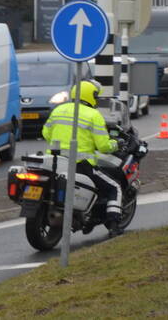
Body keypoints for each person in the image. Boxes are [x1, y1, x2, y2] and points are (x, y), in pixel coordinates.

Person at [41, 80, 125, 237]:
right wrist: (116, 144)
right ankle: (114, 225)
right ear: (91, 96)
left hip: (55, 163)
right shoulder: (93, 115)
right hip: (81, 166)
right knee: (114, 187)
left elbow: (45, 134)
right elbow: (103, 147)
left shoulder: (59, 110)